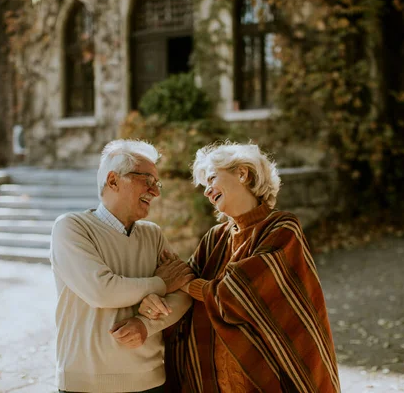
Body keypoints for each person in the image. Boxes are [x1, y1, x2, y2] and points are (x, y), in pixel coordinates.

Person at [139, 142, 340, 393]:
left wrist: (189, 284)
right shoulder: (214, 238)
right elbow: (180, 283)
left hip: (265, 377)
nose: (207, 191)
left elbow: (241, 292)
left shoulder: (282, 227)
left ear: (242, 173)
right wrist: (158, 291)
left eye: (212, 178)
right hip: (213, 379)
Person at [49, 139, 194, 393]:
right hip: (86, 385)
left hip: (152, 382)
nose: (156, 191)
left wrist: (145, 324)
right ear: (113, 181)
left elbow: (183, 292)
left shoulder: (153, 235)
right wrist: (161, 284)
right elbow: (101, 290)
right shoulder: (71, 227)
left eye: (156, 183)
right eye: (146, 180)